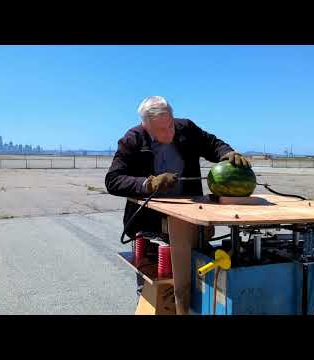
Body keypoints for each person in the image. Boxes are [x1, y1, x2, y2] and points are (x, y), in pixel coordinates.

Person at [105, 96, 251, 297]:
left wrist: (227, 153)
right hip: (150, 228)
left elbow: (212, 144)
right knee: (154, 291)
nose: (170, 132)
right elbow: (113, 180)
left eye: (171, 125)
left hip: (189, 224)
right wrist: (148, 184)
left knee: (192, 288)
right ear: (145, 125)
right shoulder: (133, 140)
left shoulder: (187, 129)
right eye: (162, 130)